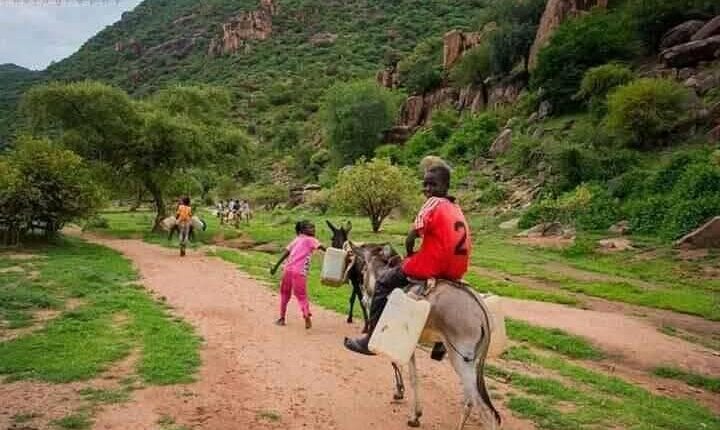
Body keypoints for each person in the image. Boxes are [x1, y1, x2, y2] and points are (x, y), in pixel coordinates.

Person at [344, 157, 471, 356]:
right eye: (425, 185)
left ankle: (371, 339)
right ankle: (441, 343)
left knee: (383, 282)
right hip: (458, 268)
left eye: (432, 184)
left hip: (433, 264)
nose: (427, 189)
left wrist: (410, 254)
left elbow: (411, 237)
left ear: (446, 186)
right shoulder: (455, 207)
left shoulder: (432, 203)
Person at [270, 220, 326, 329]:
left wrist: (276, 267)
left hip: (287, 269)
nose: (313, 230)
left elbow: (286, 254)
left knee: (284, 294)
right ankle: (306, 314)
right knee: (301, 295)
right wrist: (338, 253)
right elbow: (324, 248)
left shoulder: (296, 239)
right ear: (303, 230)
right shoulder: (311, 239)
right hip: (299, 272)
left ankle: (282, 318)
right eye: (310, 228)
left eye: (314, 227)